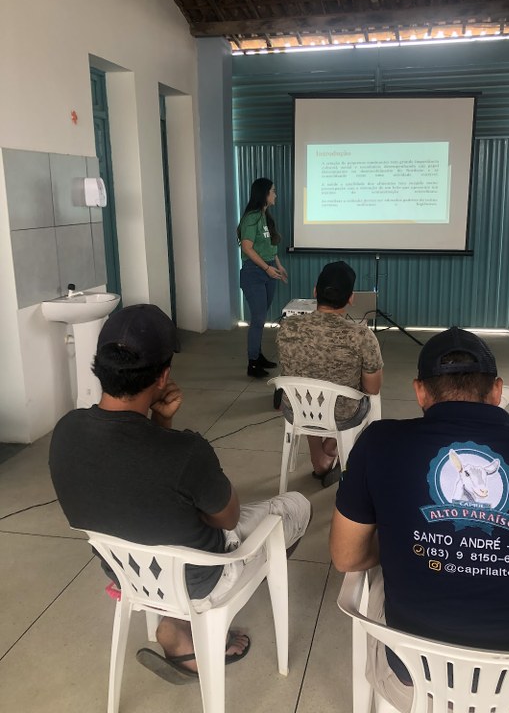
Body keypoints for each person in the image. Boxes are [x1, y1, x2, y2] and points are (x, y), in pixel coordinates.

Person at [49, 304, 311, 684]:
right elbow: (228, 519)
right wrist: (169, 432)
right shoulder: (186, 452)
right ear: (163, 377)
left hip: (126, 572)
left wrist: (162, 423)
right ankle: (188, 621)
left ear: (100, 364)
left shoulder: (66, 431)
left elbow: (133, 483)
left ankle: (171, 623)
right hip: (199, 580)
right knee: (295, 506)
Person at [330, 326, 509, 711]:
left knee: (377, 583)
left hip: (412, 682)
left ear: (420, 392)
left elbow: (346, 557)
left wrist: (410, 546)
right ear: (497, 392)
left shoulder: (379, 443)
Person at [276, 261, 383, 487]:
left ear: (315, 291)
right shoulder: (361, 336)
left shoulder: (288, 326)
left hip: (297, 408)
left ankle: (320, 457)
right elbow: (373, 388)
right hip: (342, 414)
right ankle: (331, 449)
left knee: (309, 390)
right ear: (351, 298)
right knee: (364, 399)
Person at [237, 177, 288, 379]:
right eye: (273, 191)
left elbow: (269, 246)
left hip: (268, 271)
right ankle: (253, 363)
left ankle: (258, 356)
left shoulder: (265, 217)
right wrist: (267, 268)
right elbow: (247, 247)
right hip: (254, 273)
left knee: (261, 317)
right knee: (258, 320)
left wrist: (278, 265)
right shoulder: (252, 218)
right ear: (264, 194)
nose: (275, 195)